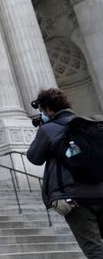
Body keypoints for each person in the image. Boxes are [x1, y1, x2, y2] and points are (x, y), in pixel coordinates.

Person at [27, 88, 103, 258]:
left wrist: (42, 130)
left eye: (42, 111)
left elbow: (34, 157)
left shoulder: (49, 129)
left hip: (75, 198)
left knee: (94, 250)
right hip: (100, 191)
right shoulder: (87, 123)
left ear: (47, 109)